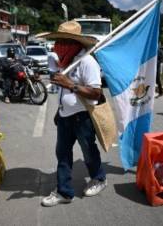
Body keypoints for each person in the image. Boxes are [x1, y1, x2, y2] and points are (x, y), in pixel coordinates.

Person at [40, 21, 107, 207]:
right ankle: (64, 192)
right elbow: (63, 93)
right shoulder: (64, 62)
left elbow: (96, 93)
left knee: (89, 152)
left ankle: (99, 178)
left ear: (74, 43)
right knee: (62, 153)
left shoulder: (87, 61)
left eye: (63, 41)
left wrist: (70, 84)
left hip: (83, 117)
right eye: (57, 41)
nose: (58, 45)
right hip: (65, 117)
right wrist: (59, 111)